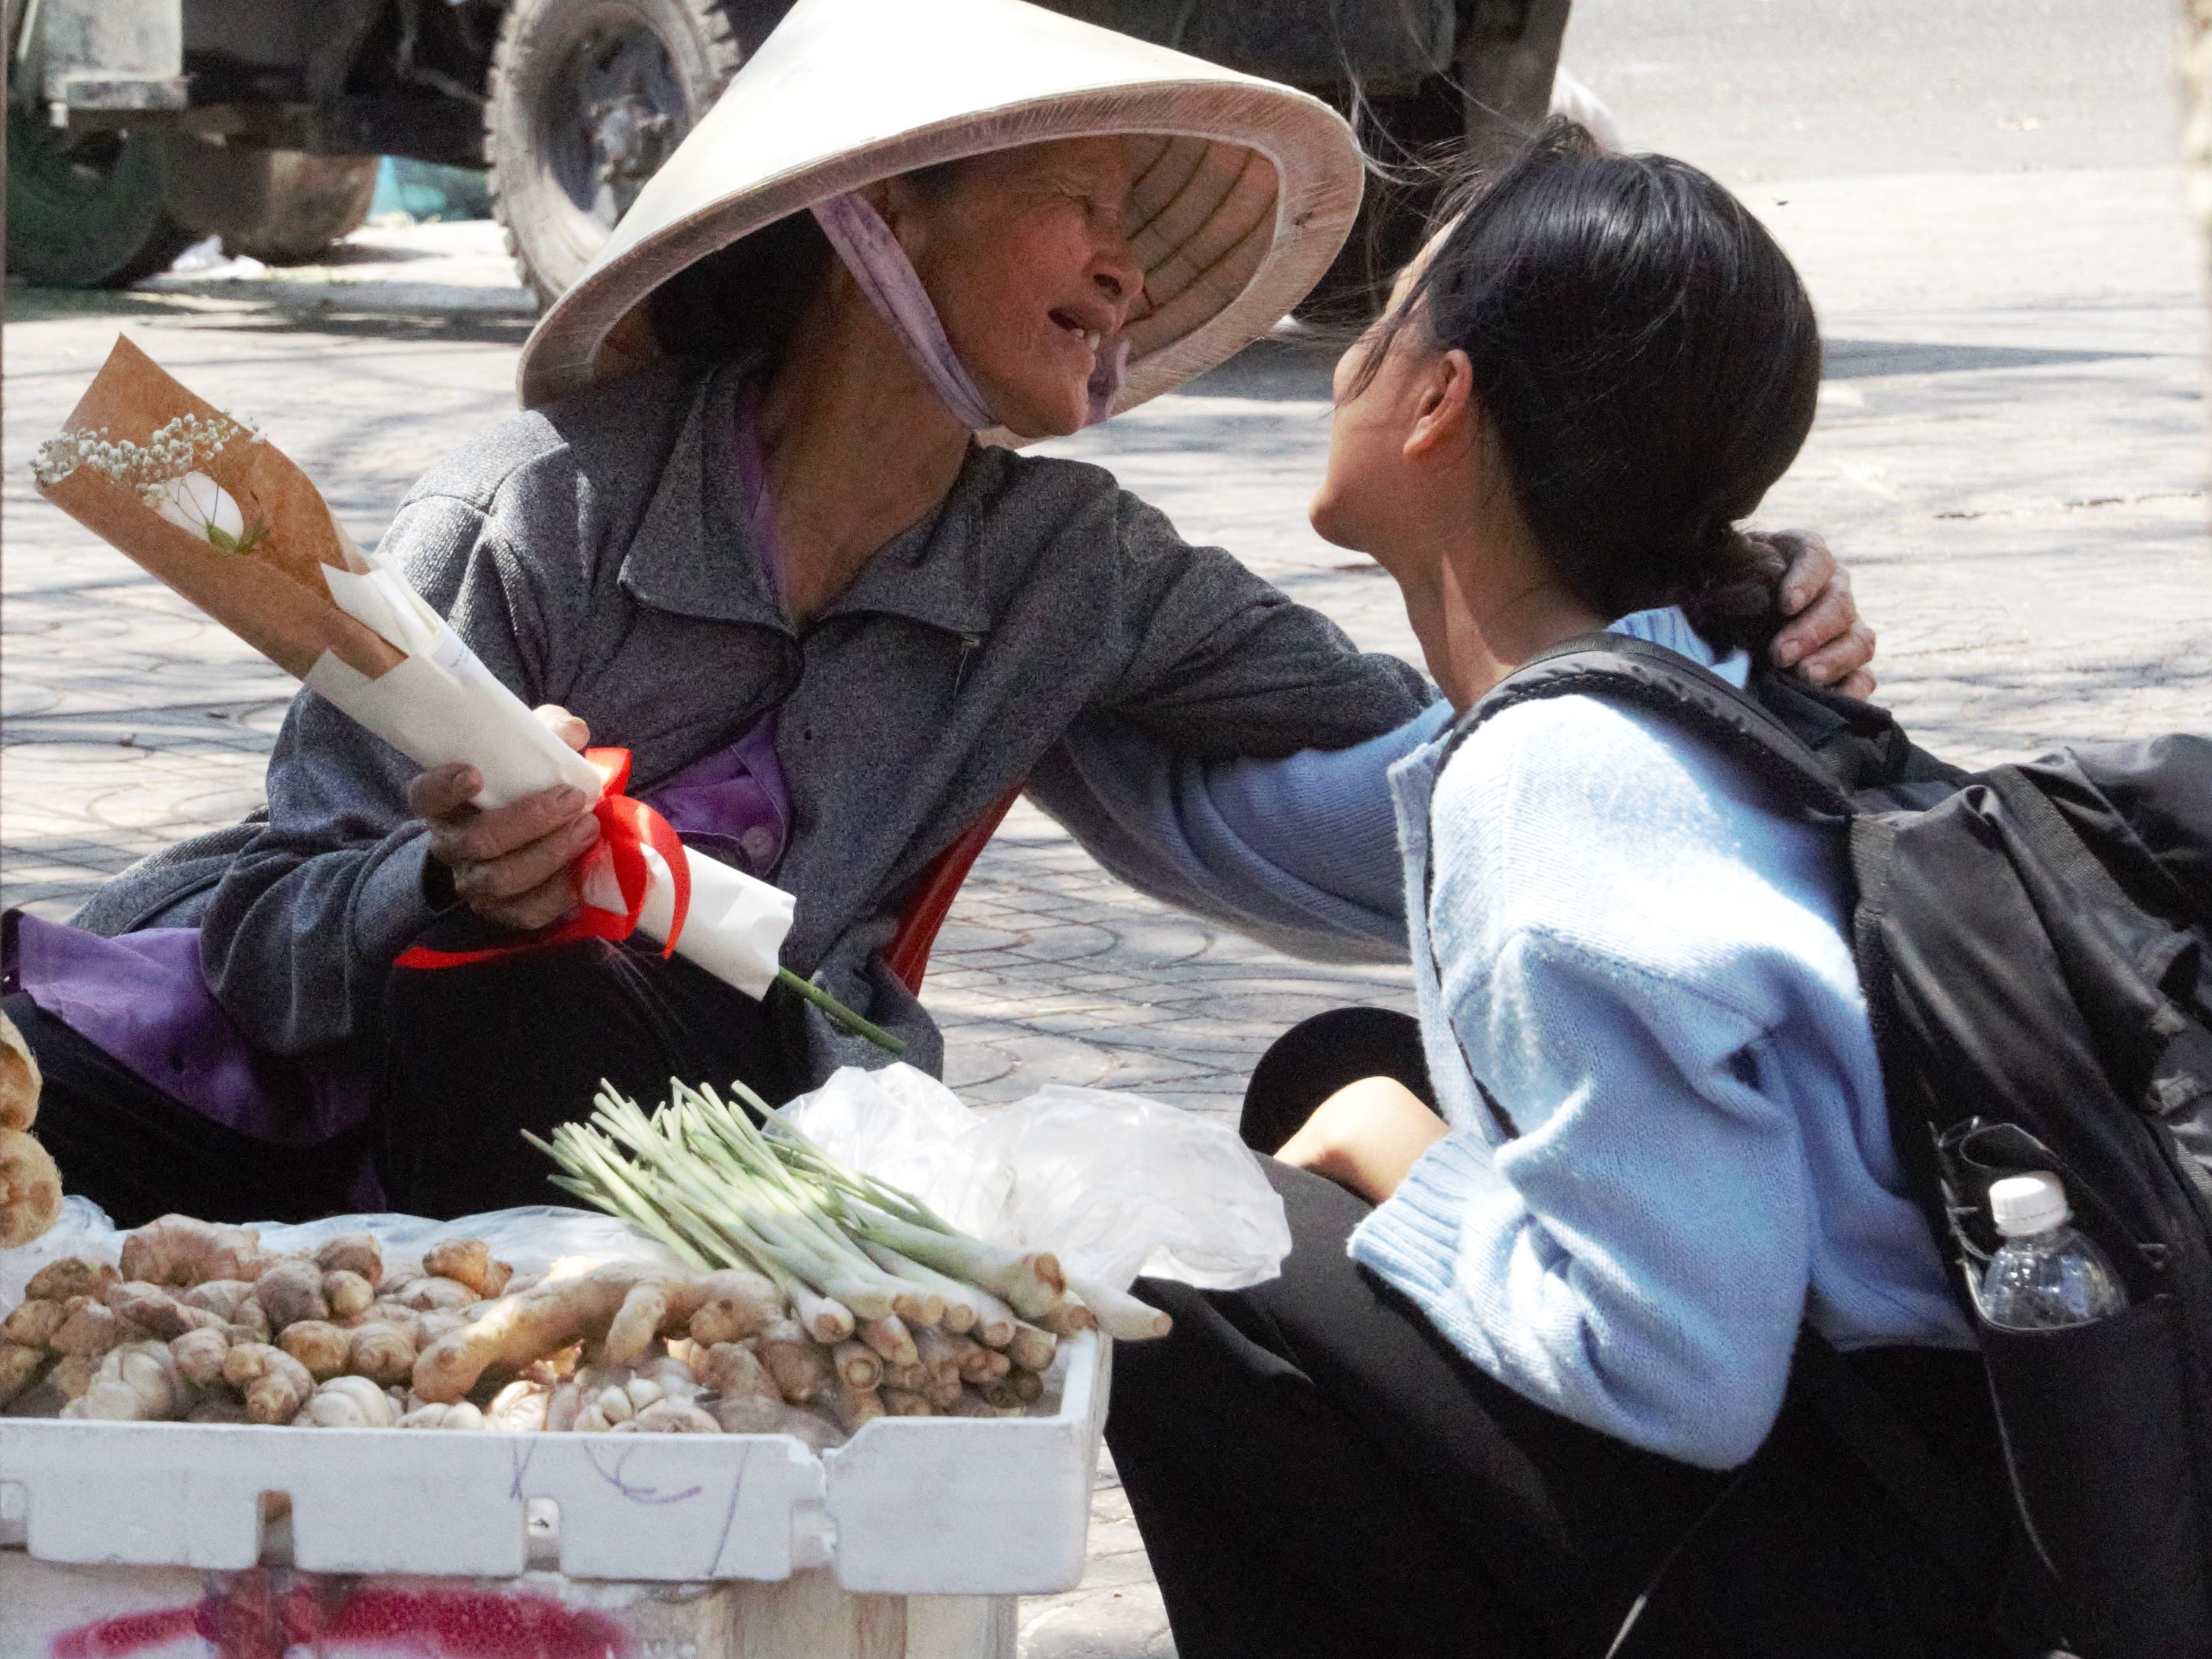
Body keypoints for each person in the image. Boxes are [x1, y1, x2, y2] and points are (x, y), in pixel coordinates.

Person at [2, 0, 1872, 1227]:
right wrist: (442, 881)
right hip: (299, 1108)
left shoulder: (1074, 572)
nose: (1128, 266)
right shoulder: (540, 507)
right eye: (1077, 200)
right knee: (496, 986)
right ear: (878, 219)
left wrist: (1719, 632)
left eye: (1137, 220)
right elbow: (278, 914)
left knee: (582, 1010)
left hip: (699, 1151)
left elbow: (1434, 731)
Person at [1104, 123, 2012, 1658]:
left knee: (1172, 1250)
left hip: (1849, 1558)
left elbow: (1678, 1371)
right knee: (1332, 1068)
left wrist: (1405, 1158)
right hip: (1933, 1479)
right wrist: (1017, 653)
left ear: (1438, 400)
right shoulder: (1698, 680)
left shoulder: (1563, 784)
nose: (1340, 369)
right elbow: (1233, 823)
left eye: (1381, 322)